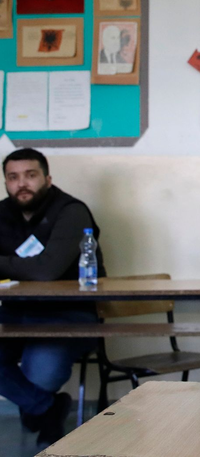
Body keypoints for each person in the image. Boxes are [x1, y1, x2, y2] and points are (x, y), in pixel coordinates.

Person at [0, 148, 105, 447]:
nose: (22, 183)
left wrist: (6, 263)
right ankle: (47, 408)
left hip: (68, 314)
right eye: (13, 177)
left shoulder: (72, 211)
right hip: (15, 314)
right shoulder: (2, 213)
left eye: (30, 175)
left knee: (41, 372)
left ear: (47, 178)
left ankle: (37, 405)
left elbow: (47, 270)